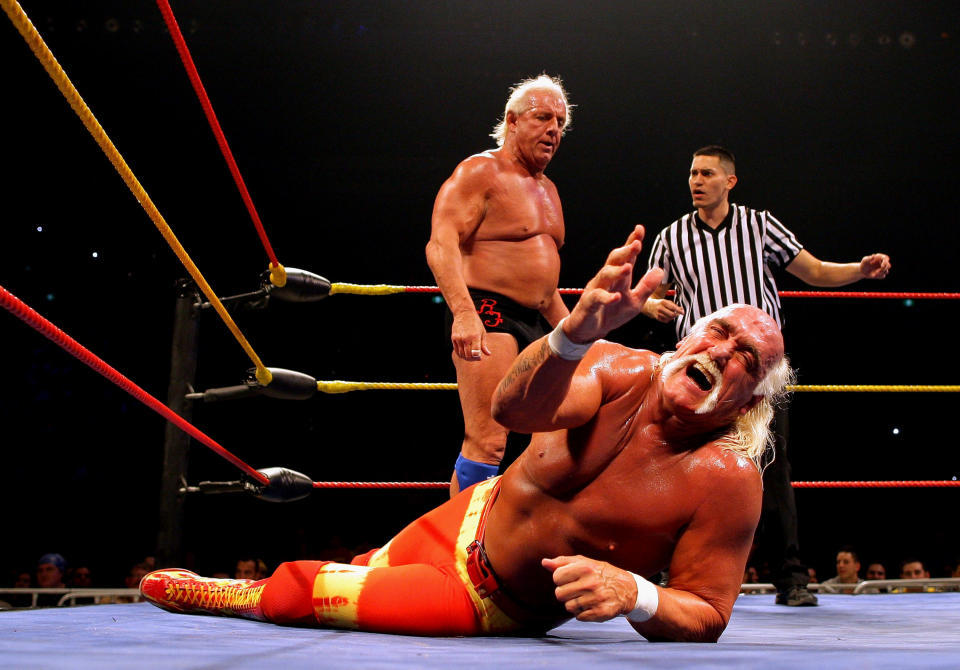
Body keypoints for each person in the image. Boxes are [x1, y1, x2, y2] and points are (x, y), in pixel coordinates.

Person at [141, 228, 793, 641]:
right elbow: (515, 410)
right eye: (721, 333)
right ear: (688, 336)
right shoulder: (617, 365)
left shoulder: (726, 480)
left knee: (316, 594)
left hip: (488, 600)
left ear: (752, 399)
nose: (726, 352)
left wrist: (638, 593)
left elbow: (706, 613)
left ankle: (238, 594)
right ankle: (326, 578)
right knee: (366, 566)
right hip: (466, 515)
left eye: (747, 358)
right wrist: (576, 333)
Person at [642, 145, 891, 607]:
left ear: (729, 181)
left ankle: (791, 578)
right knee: (679, 468)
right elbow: (648, 294)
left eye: (707, 174)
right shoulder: (671, 236)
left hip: (758, 372)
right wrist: (651, 305)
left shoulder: (760, 226)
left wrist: (859, 270)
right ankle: (668, 572)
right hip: (698, 374)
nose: (696, 181)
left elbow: (813, 270)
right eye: (693, 173)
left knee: (773, 472)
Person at [425, 74, 572, 496]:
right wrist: (465, 313)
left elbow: (544, 288)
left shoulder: (549, 190)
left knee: (557, 439)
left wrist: (582, 336)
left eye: (560, 122)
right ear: (512, 120)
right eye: (542, 117)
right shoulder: (480, 171)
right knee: (488, 441)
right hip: (489, 311)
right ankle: (459, 547)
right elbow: (441, 245)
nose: (553, 130)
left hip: (539, 321)